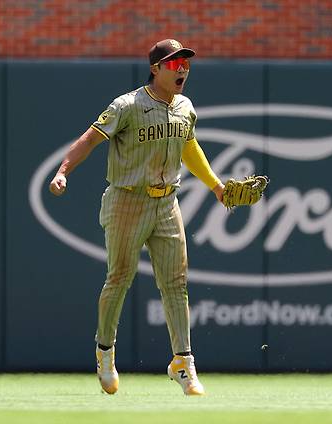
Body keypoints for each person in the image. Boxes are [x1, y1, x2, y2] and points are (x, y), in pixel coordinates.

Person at [49, 39, 225, 396]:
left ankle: (183, 363)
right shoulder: (127, 105)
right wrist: (63, 169)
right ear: (156, 69)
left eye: (185, 64)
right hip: (127, 200)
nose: (182, 70)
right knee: (119, 278)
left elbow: (189, 148)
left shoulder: (184, 107)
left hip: (167, 203)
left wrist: (217, 187)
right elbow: (89, 139)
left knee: (176, 283)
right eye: (174, 64)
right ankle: (105, 353)